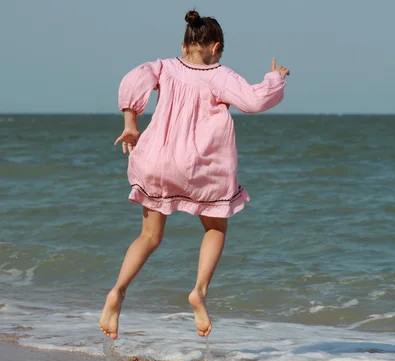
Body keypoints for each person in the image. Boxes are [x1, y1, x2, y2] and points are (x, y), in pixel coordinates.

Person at [99, 9, 290, 340]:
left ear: (184, 43)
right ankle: (198, 291)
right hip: (199, 165)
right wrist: (275, 77)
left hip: (157, 161)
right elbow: (254, 101)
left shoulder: (163, 67)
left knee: (149, 236)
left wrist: (131, 124)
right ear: (214, 48)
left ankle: (116, 292)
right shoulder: (219, 75)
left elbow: (134, 79)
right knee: (215, 227)